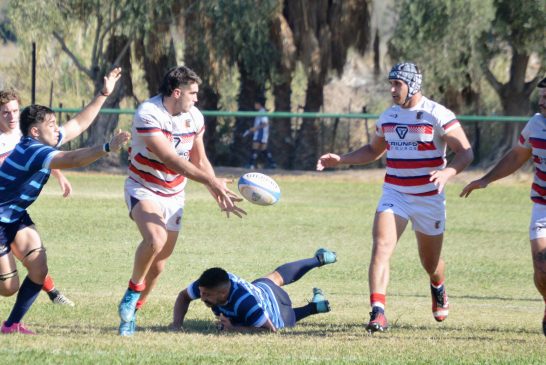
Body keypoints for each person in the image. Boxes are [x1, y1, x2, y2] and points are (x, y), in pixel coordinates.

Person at [317, 62, 474, 333]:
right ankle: (378, 312)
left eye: (397, 84)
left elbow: (466, 152)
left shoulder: (437, 114)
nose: (392, 89)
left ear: (413, 85)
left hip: (429, 198)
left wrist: (448, 172)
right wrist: (341, 159)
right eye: (390, 83)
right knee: (381, 246)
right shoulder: (388, 117)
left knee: (431, 263)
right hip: (395, 192)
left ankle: (438, 285)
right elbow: (372, 150)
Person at [117, 66, 246, 336]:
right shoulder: (148, 114)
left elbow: (199, 159)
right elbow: (171, 159)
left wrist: (217, 191)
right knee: (155, 239)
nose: (197, 99)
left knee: (159, 263)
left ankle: (133, 312)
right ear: (177, 92)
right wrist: (211, 182)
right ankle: (131, 293)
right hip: (144, 187)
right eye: (193, 93)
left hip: (175, 194)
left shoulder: (194, 117)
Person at [0, 67, 128, 335]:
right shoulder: (32, 150)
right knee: (8, 288)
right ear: (35, 131)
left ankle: (11, 325)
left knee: (38, 266)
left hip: (14, 215)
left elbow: (79, 124)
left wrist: (104, 93)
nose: (56, 128)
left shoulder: (42, 140)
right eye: (50, 125)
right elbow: (71, 159)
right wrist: (106, 148)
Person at [460, 77, 546, 336]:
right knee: (542, 267)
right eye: (542, 95)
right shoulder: (536, 124)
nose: (541, 100)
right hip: (543, 205)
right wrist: (486, 179)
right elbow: (517, 156)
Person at [0, 90, 74, 307]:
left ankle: (52, 292)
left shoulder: (24, 135)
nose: (11, 116)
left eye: (14, 111)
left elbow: (45, 156)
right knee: (10, 284)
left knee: (34, 255)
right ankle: (52, 292)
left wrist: (60, 176)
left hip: (14, 209)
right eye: (5, 112)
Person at [171, 248, 337, 332]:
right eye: (201, 292)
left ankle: (313, 308)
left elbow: (269, 330)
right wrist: (177, 324)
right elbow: (183, 296)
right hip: (263, 289)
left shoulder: (245, 303)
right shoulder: (208, 282)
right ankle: (319, 260)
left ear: (222, 293)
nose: (201, 297)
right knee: (275, 277)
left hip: (280, 313)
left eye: (206, 295)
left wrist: (234, 329)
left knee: (281, 321)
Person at [245, 97, 276, 169]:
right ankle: (272, 164)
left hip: (260, 133)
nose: (255, 105)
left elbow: (265, 123)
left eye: (256, 104)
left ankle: (251, 164)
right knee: (263, 149)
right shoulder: (260, 112)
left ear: (259, 104)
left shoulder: (262, 112)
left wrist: (255, 128)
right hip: (261, 133)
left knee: (255, 148)